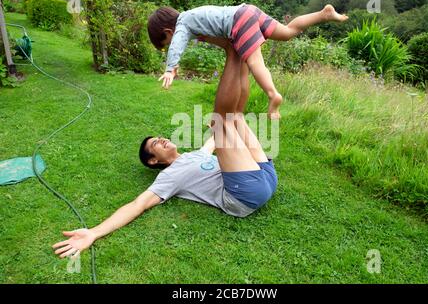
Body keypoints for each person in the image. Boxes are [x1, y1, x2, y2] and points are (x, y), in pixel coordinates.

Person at [52, 42, 278, 259]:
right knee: (223, 119)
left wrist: (215, 132)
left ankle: (244, 51)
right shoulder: (168, 177)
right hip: (244, 195)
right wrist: (94, 232)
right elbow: (137, 205)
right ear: (153, 161)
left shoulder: (193, 156)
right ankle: (233, 52)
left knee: (235, 116)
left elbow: (212, 144)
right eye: (154, 145)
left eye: (159, 138)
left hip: (267, 177)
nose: (160, 139)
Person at [148, 3, 348, 119]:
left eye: (166, 42)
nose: (172, 42)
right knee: (287, 32)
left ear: (168, 32)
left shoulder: (183, 24)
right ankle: (323, 15)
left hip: (239, 21)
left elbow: (177, 44)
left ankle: (273, 95)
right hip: (248, 11)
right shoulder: (193, 17)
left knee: (254, 62)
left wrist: (170, 68)